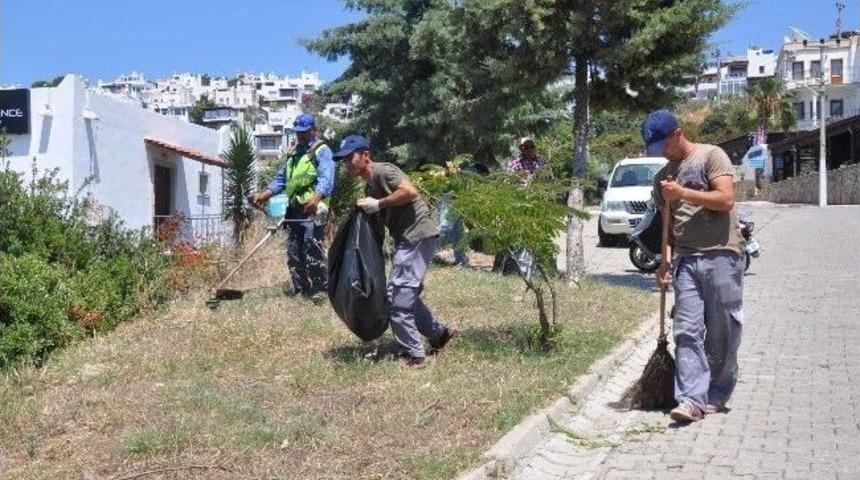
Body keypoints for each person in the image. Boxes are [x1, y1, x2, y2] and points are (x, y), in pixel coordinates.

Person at [642, 109, 745, 423]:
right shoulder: (662, 179)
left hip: (722, 255)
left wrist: (684, 192)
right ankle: (690, 400)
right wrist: (665, 261)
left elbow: (726, 199)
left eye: (664, 146)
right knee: (686, 331)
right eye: (656, 150)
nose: (663, 155)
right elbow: (668, 228)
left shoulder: (712, 156)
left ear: (677, 133)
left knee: (722, 333)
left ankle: (718, 392)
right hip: (686, 261)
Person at [334, 134, 456, 368]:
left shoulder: (383, 171)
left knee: (398, 297)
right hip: (408, 239)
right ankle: (439, 334)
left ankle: (413, 354)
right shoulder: (370, 182)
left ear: (365, 155)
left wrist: (378, 204)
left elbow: (410, 191)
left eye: (350, 158)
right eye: (344, 160)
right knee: (405, 295)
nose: (347, 164)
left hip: (417, 235)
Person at [249, 113, 334, 303]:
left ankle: (320, 290)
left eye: (304, 132)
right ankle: (300, 289)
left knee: (313, 247)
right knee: (294, 250)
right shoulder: (293, 153)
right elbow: (281, 179)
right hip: (294, 209)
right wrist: (262, 196)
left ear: (313, 130)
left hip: (313, 209)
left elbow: (326, 179)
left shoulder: (322, 151)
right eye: (298, 132)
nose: (300, 136)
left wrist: (316, 198)